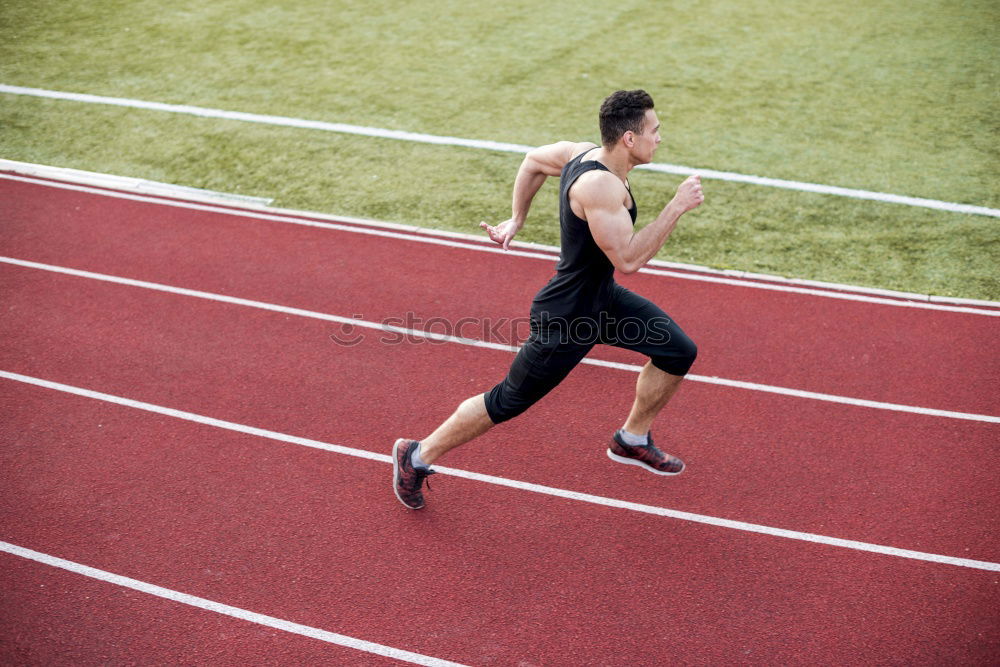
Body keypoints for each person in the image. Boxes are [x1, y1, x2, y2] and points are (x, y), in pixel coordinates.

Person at [393, 89, 704, 509]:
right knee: (506, 400)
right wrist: (676, 207)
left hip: (602, 301)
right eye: (654, 130)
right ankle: (415, 456)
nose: (659, 138)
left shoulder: (583, 154)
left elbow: (534, 160)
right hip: (568, 318)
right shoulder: (598, 186)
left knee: (677, 351)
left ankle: (631, 438)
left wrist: (516, 219)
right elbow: (629, 259)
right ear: (629, 139)